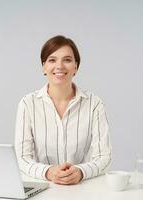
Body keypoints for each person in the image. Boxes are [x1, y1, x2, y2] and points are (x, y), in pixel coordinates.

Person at [15, 35, 112, 185]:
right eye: (52, 60)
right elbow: (21, 158)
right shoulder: (28, 104)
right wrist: (49, 172)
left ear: (76, 67)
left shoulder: (94, 104)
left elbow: (104, 157)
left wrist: (80, 172)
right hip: (43, 187)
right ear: (44, 67)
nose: (59, 66)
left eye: (67, 60)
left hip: (82, 188)